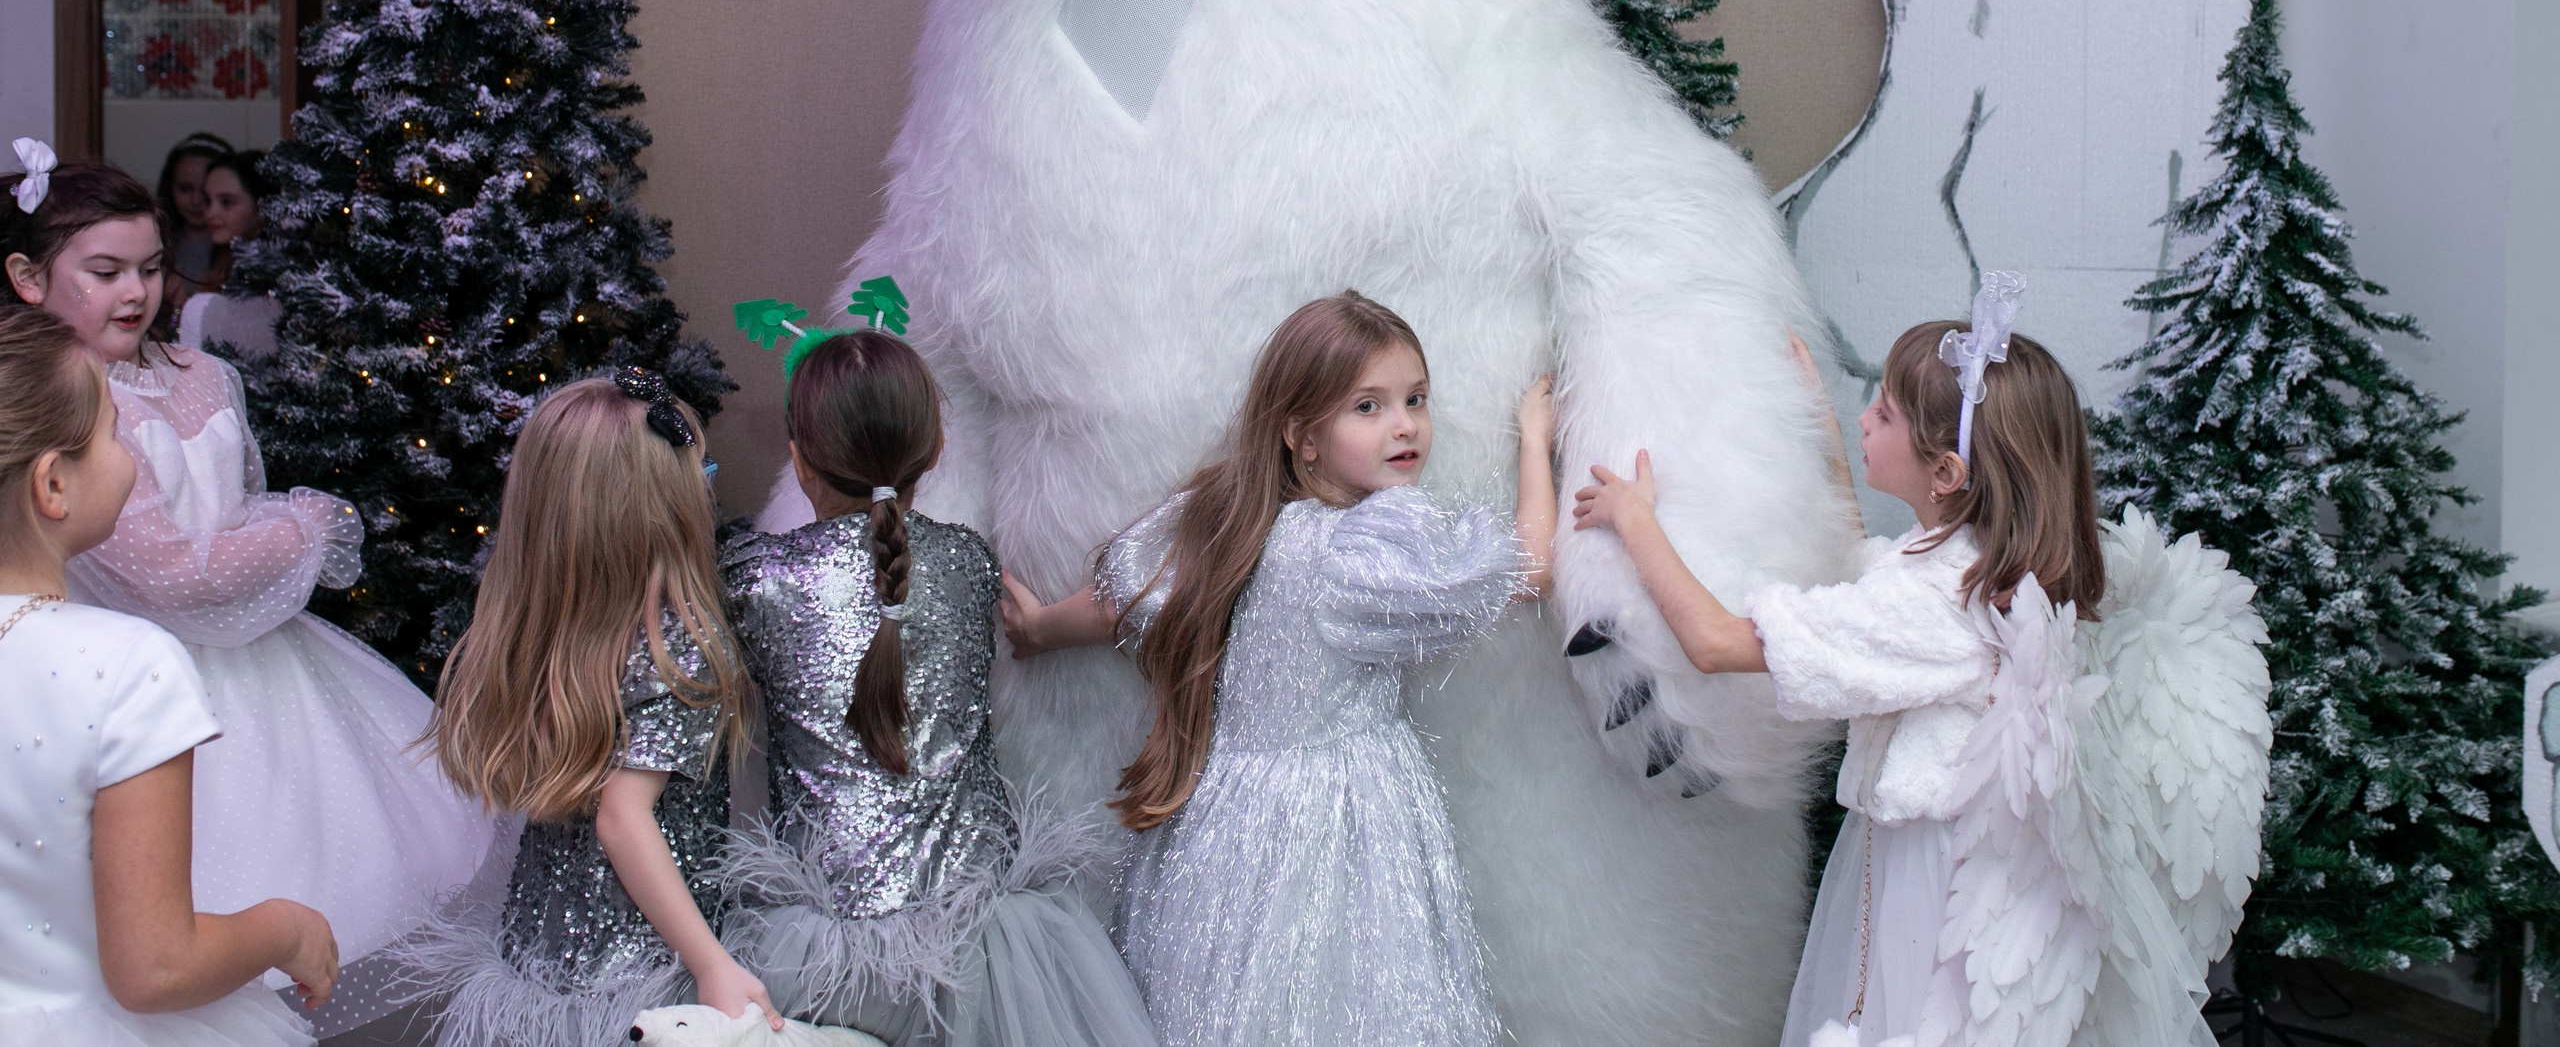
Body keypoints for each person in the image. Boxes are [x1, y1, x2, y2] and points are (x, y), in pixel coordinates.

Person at [1570, 277, 2265, 1047]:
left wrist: (1636, 523)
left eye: (1885, 413)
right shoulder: (1964, 570)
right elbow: (1861, 562)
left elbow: (1714, 641)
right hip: (1921, 859)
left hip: (1929, 891)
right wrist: (1821, 420)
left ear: (1945, 475)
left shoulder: (1934, 609)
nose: (1867, 416)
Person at [1, 143, 502, 1034]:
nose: (136, 291)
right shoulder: (64, 415)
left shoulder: (207, 375)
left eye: (152, 268)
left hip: (263, 664)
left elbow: (236, 506)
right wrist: (304, 528)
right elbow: (167, 571)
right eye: (107, 270)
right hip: (146, 666)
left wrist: (263, 530)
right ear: (30, 278)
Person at [1003, 291, 1553, 1047]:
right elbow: (1529, 567)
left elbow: (1121, 604)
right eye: (1369, 405)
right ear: (1303, 435)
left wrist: (1036, 629)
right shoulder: (1358, 553)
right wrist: (1533, 438)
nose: (1405, 426)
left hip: (1227, 826)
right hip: (1337, 826)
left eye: (1415, 400)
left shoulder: (1239, 517)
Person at [717, 326, 1160, 1047]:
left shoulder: (756, 579)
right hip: (982, 947)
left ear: (799, 461)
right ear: (934, 450)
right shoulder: (969, 564)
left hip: (823, 952)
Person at [0, 298, 339, 1046]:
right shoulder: (129, 662)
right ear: (52, 484)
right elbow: (155, 967)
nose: (130, 455)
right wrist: (285, 929)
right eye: (114, 434)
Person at [411, 372, 773, 1047]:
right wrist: (711, 962)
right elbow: (622, 817)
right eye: (702, 472)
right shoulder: (679, 647)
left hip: (538, 962)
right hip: (642, 976)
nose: (709, 488)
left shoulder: (552, 636)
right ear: (657, 504)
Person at [177, 152, 278, 359]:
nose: (210, 213)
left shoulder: (277, 271)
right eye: (208, 200)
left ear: (262, 208)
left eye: (226, 202)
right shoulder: (223, 261)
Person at [153, 133, 232, 339]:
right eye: (185, 188)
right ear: (170, 188)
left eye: (205, 191)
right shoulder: (153, 244)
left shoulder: (241, 251)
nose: (196, 200)